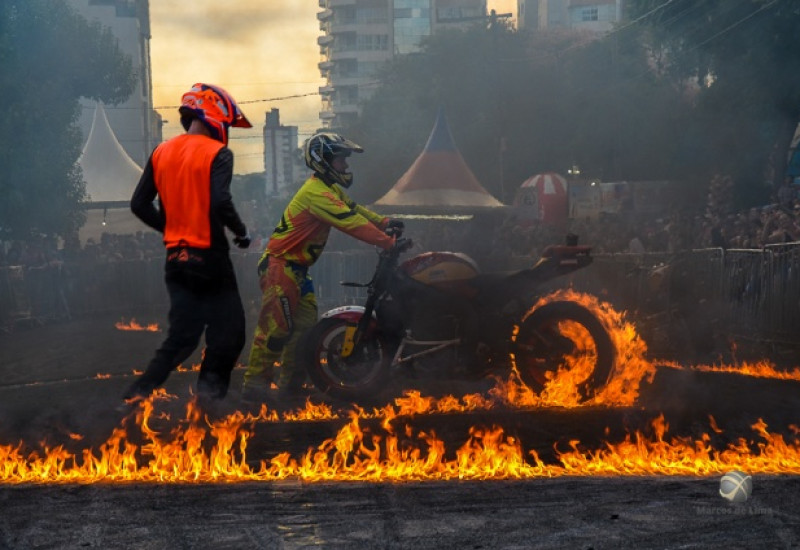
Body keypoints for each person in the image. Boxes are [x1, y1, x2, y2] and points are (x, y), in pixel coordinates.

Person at [242, 132, 400, 401]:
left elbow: (355, 211)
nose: (346, 166)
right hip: (280, 267)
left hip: (298, 271)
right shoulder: (316, 193)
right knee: (276, 328)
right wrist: (386, 241)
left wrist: (384, 223)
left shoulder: (330, 190)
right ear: (323, 161)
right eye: (341, 160)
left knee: (304, 331)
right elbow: (349, 222)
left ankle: (290, 385)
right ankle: (254, 385)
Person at [123, 83, 253, 403]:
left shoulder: (161, 152)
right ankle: (209, 402)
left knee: (180, 341)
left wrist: (169, 229)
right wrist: (239, 231)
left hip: (176, 259)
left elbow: (139, 205)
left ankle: (129, 401)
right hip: (209, 257)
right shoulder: (217, 153)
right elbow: (220, 200)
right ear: (215, 114)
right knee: (230, 334)